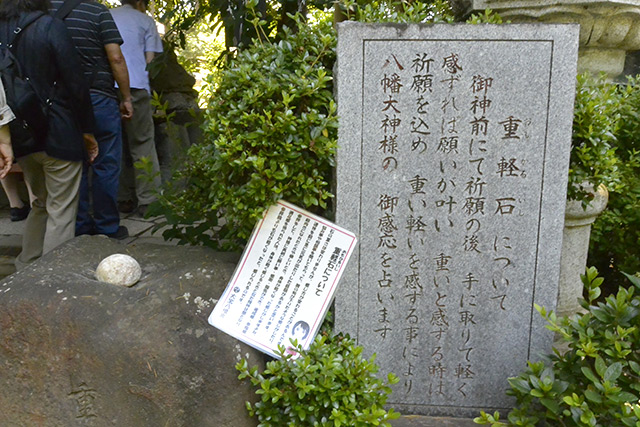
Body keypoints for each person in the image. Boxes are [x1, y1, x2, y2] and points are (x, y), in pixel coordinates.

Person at [0, 0, 98, 269]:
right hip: (60, 131)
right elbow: (75, 81)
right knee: (61, 209)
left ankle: (26, 265)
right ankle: (52, 277)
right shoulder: (50, 26)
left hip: (20, 135)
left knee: (40, 204)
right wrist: (87, 130)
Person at [50, 0, 134, 239]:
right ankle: (107, 226)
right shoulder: (97, 11)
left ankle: (79, 224)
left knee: (72, 163)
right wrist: (126, 97)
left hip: (61, 102)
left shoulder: (43, 11)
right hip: (99, 97)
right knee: (106, 163)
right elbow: (115, 58)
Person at [111, 0, 163, 217]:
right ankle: (148, 200)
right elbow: (150, 60)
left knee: (115, 144)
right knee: (142, 142)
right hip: (137, 86)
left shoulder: (107, 16)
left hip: (108, 86)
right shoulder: (146, 21)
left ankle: (121, 198)